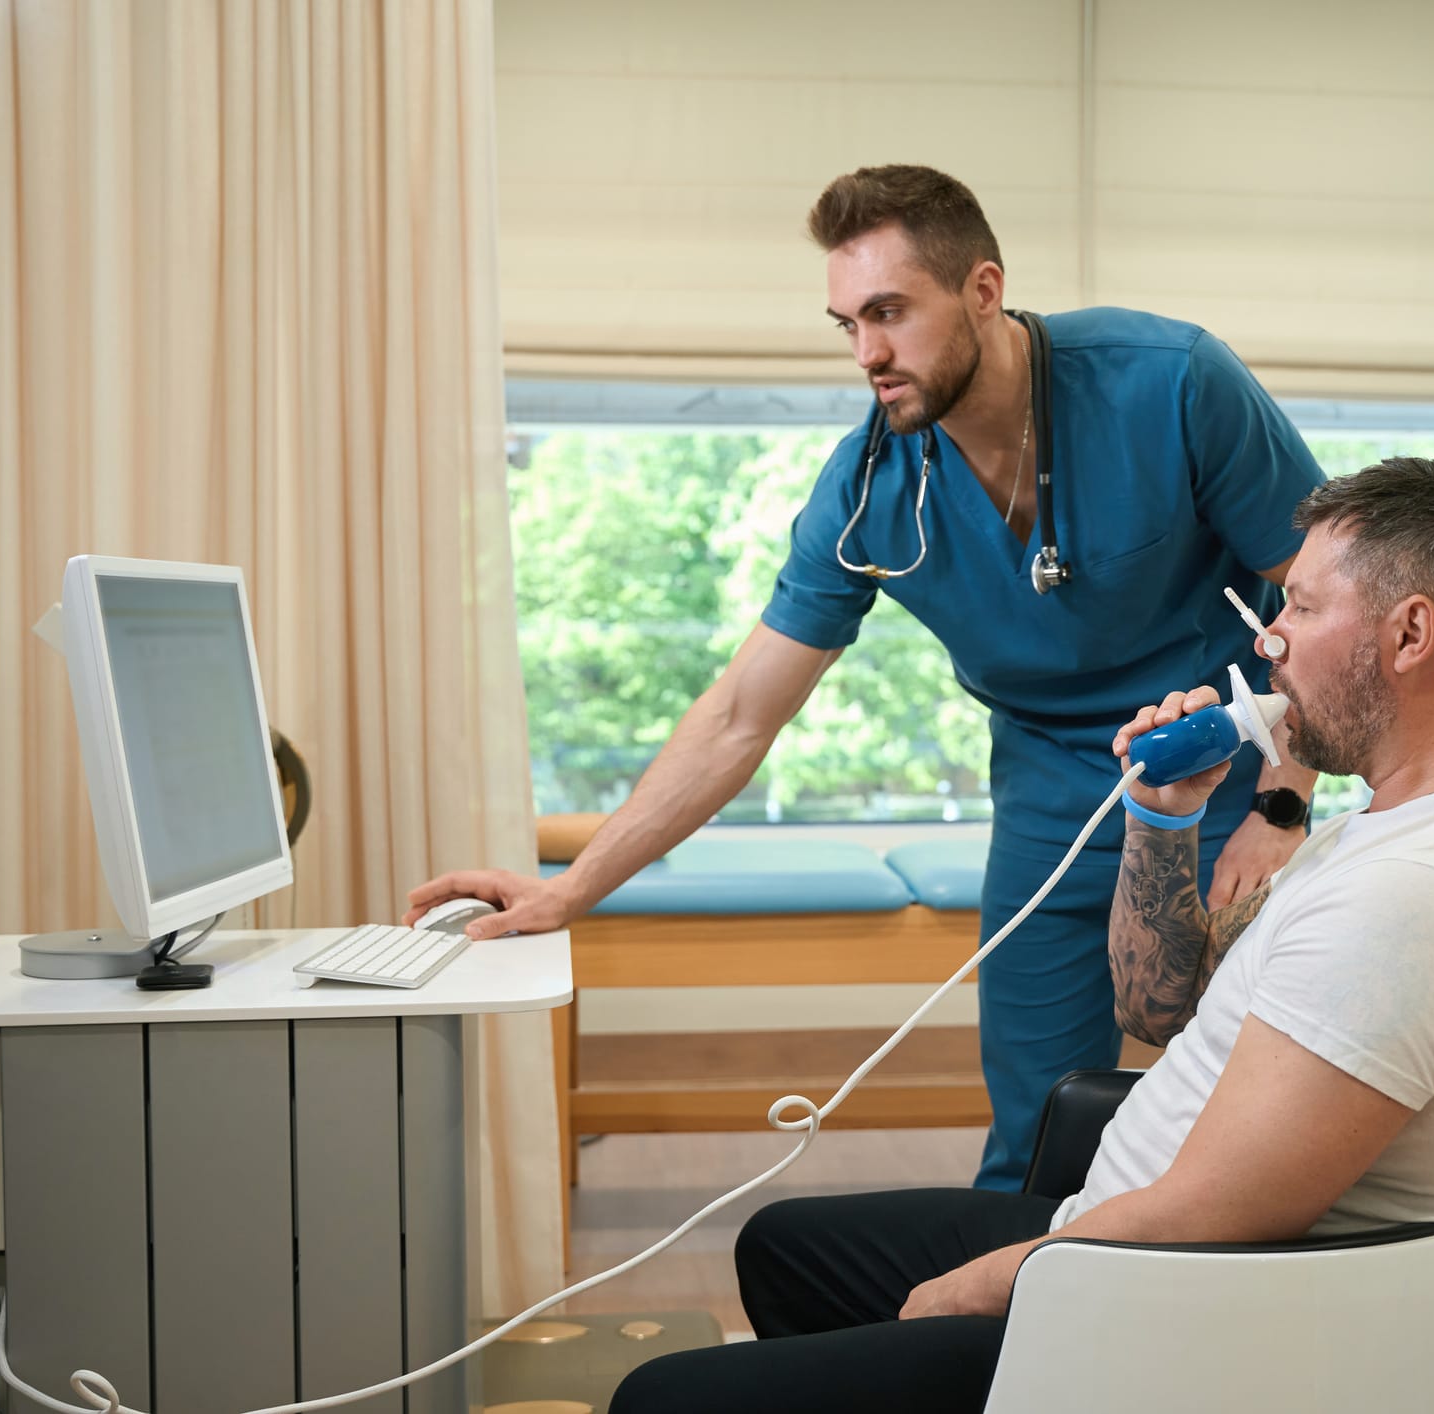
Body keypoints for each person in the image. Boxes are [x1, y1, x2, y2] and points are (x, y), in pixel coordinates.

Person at [407, 165, 1327, 1189]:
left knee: (1263, 1103)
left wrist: (1284, 808)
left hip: (1233, 768)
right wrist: (569, 891)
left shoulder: (1170, 382)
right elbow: (737, 719)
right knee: (1039, 1135)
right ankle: (1010, 1333)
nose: (868, 354)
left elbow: (1325, 602)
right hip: (1051, 794)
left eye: (889, 312)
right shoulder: (869, 489)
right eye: (846, 322)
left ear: (983, 289)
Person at [604, 456, 1434, 1413]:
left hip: (1175, 1316)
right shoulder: (1391, 834)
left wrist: (989, 1283)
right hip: (1123, 1240)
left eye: (1303, 608)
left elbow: (1220, 1215)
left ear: (1410, 635)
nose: (1270, 642)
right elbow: (1159, 1009)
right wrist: (1163, 815)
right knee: (785, 1246)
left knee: (661, 1396)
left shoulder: (1421, 896)